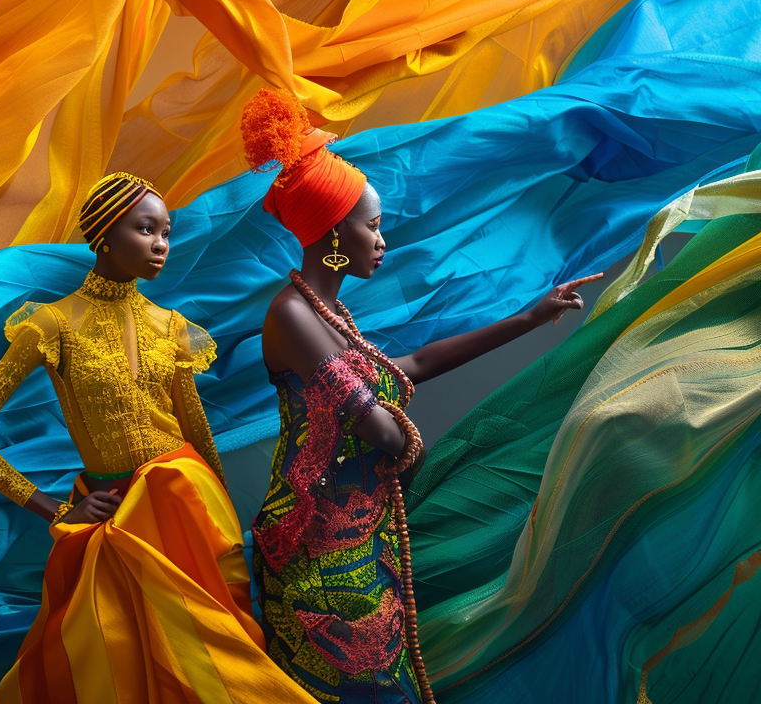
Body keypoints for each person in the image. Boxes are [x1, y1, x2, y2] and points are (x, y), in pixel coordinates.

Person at [241, 89, 600, 704]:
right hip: (314, 544)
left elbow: (411, 365)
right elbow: (376, 424)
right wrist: (414, 453)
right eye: (372, 226)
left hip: (359, 532)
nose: (383, 240)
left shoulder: (327, 311)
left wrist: (529, 319)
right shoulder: (293, 315)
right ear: (334, 233)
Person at [0, 172, 318, 702]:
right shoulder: (53, 325)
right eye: (146, 229)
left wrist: (222, 518)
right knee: (116, 663)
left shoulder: (171, 326)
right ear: (104, 234)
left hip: (187, 509)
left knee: (216, 657)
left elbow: (197, 432)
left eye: (166, 232)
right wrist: (52, 508)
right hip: (115, 518)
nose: (161, 244)